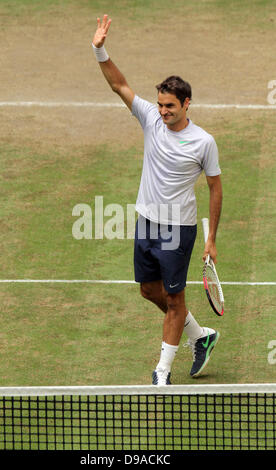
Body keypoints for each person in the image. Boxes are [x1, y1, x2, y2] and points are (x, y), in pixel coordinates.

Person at [92, 15, 223, 385]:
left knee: (175, 300)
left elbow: (215, 188)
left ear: (186, 104)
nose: (163, 111)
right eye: (160, 105)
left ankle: (162, 372)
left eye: (170, 106)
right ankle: (201, 335)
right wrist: (99, 49)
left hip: (178, 229)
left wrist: (211, 238)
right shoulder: (150, 118)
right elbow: (118, 84)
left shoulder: (203, 142)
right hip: (147, 222)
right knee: (150, 291)